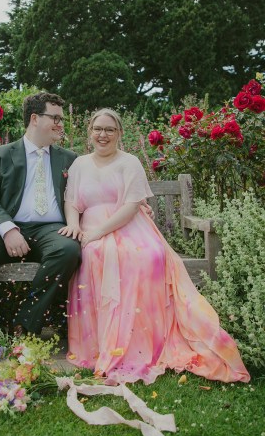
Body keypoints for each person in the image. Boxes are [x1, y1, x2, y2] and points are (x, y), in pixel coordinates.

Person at [59, 108, 250, 384]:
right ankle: (100, 344)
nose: (103, 135)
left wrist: (99, 232)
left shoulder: (130, 162)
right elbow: (71, 202)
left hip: (128, 225)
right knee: (94, 254)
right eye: (97, 129)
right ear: (90, 132)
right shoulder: (80, 165)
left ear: (119, 133)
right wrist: (74, 225)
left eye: (109, 130)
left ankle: (144, 342)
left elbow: (131, 206)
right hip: (90, 229)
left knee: (149, 257)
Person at [0, 92, 80, 363]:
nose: (61, 124)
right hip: (9, 227)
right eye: (56, 118)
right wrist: (8, 228)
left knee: (69, 249)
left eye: (62, 119)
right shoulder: (1, 154)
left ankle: (23, 326)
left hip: (51, 229)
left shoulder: (69, 158)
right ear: (35, 119)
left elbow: (90, 192)